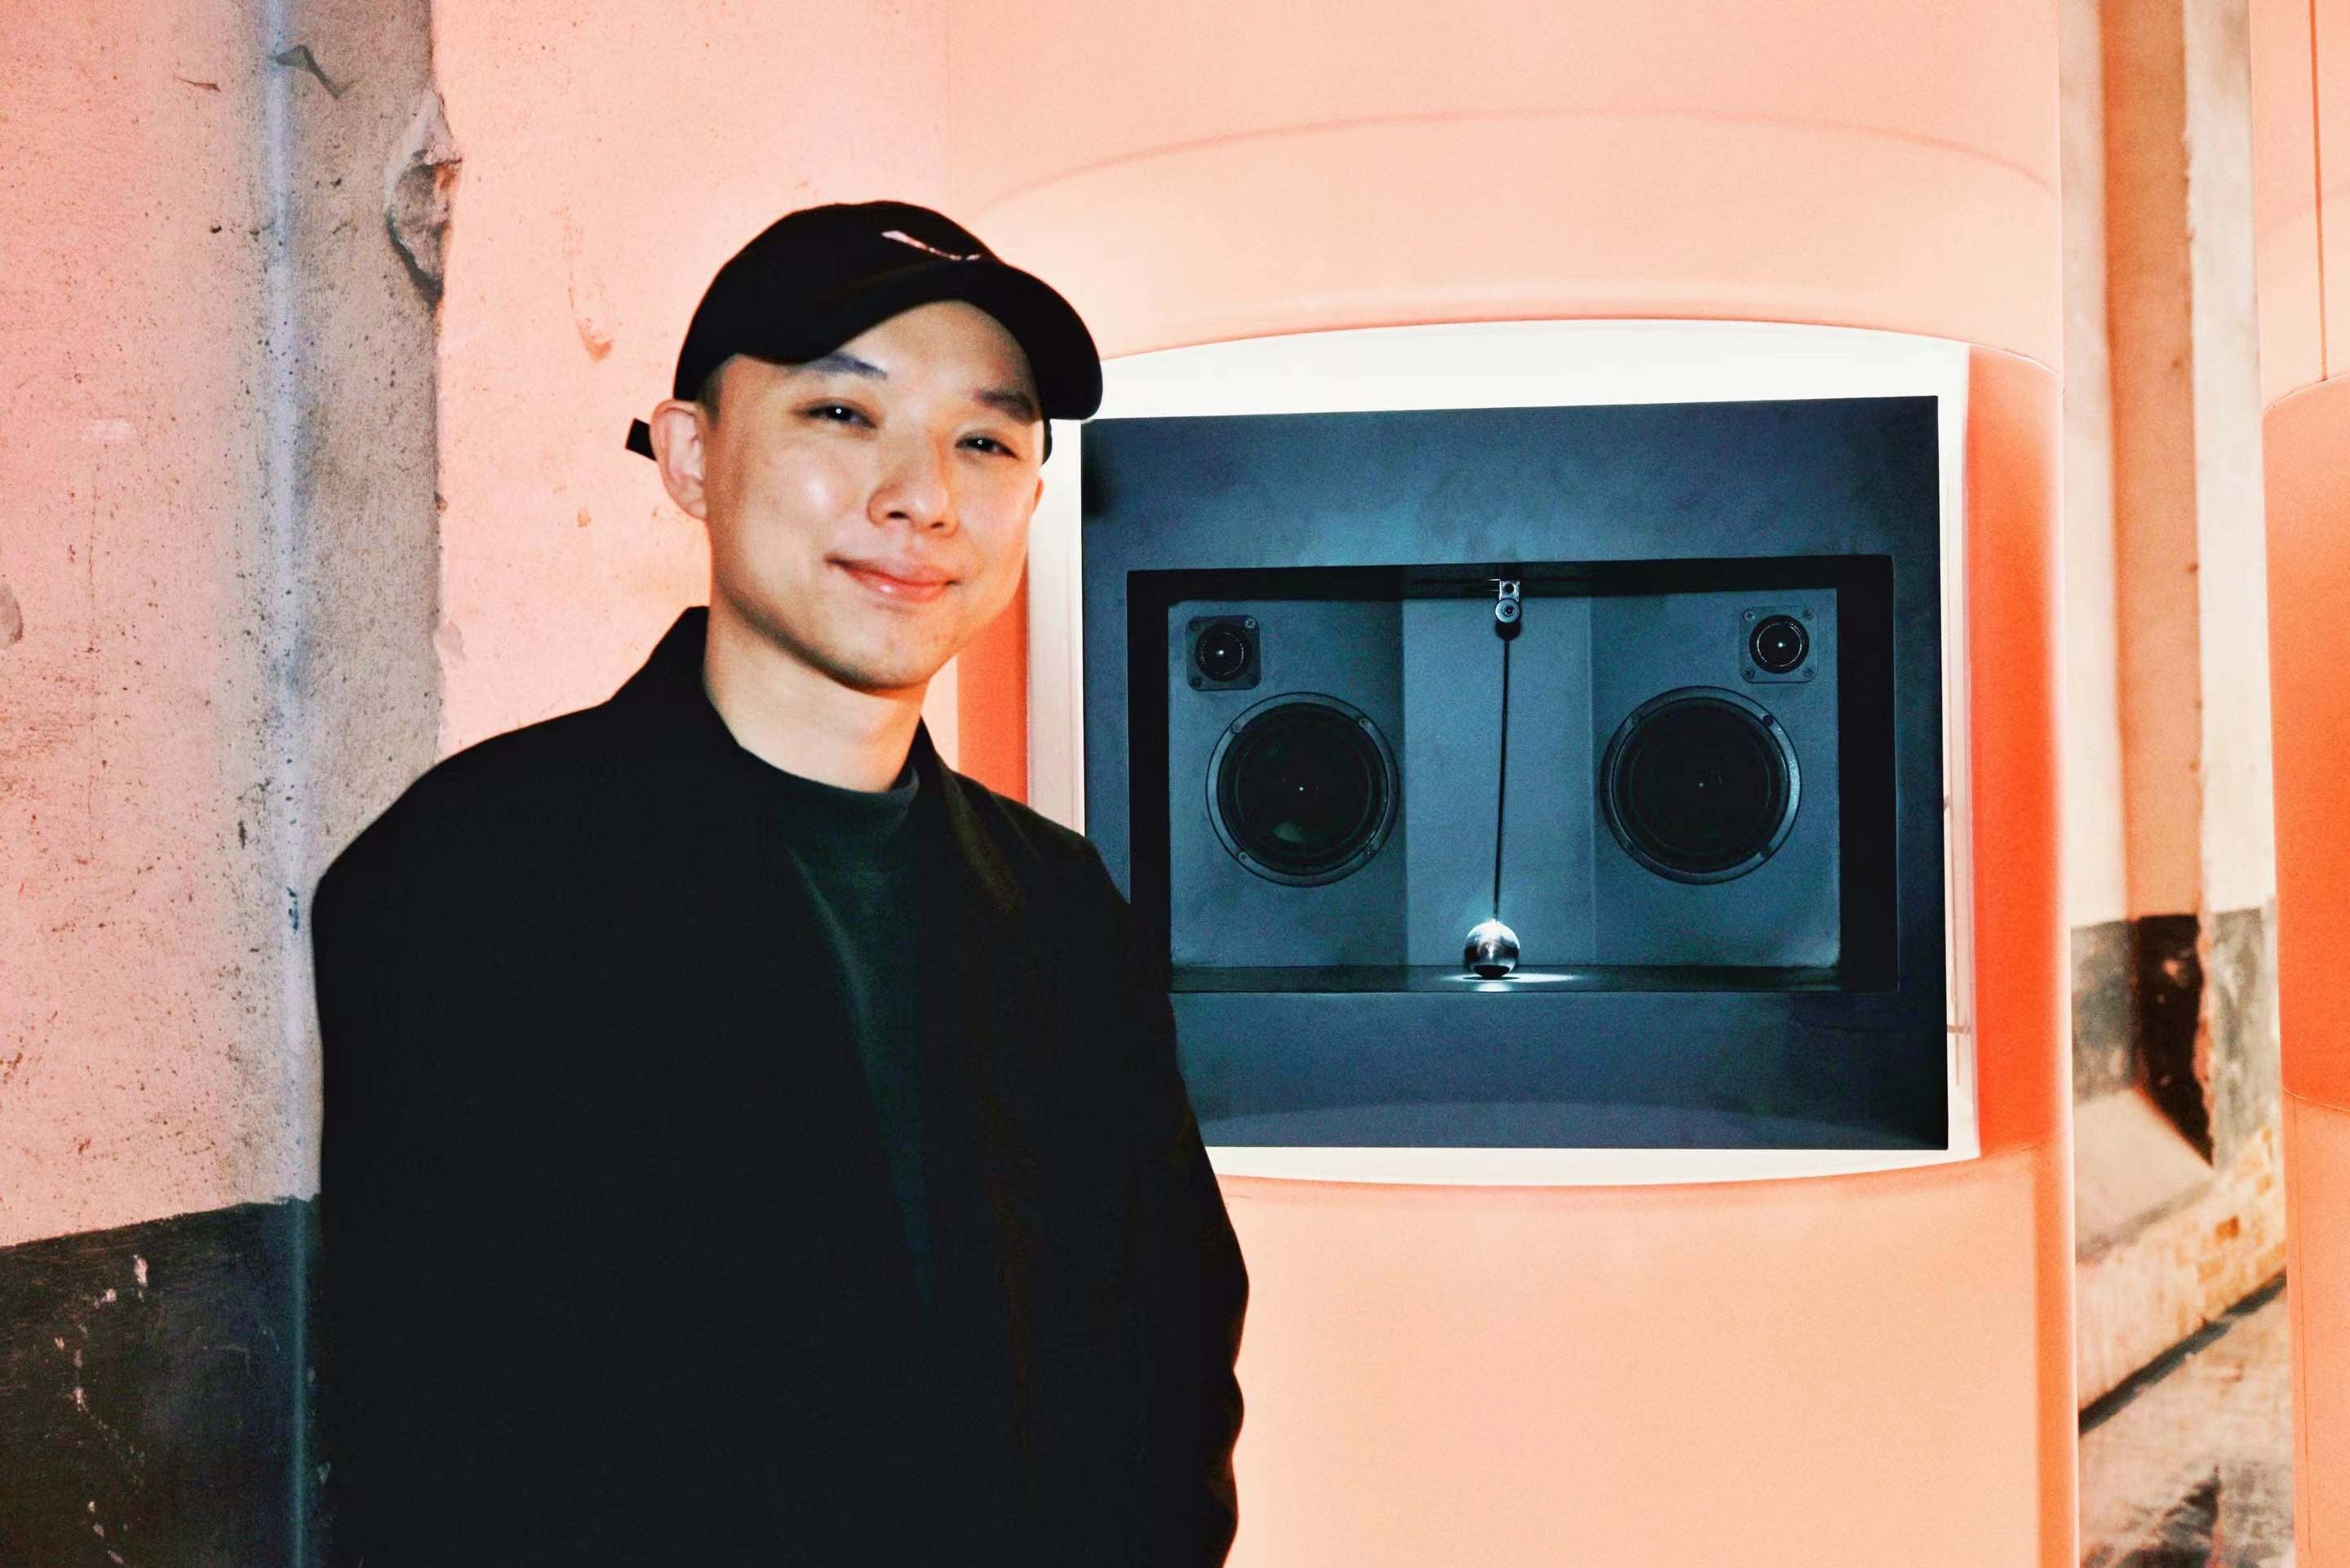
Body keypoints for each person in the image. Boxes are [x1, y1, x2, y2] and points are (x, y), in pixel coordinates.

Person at [309, 200, 1248, 1568]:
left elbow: (1170, 1363)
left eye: (987, 440)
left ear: (1034, 501)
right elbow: (453, 1440)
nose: (922, 495)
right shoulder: (478, 878)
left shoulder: (1059, 905)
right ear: (691, 454)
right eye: (842, 414)